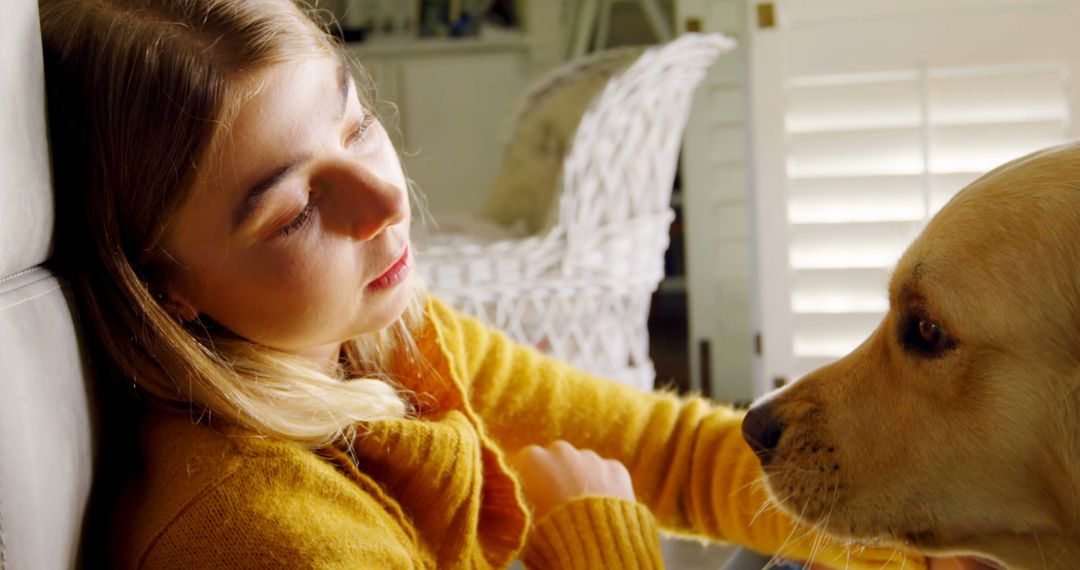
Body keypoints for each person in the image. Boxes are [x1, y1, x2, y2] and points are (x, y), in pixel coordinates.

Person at [39, 0, 951, 568]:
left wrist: (927, 552)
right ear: (164, 290)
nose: (385, 198)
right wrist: (602, 541)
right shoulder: (256, 534)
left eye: (355, 129)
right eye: (293, 212)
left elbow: (666, 451)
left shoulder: (390, 345)